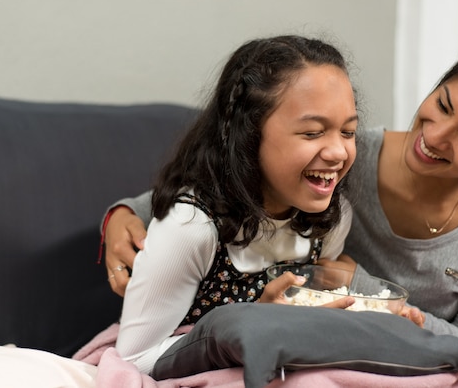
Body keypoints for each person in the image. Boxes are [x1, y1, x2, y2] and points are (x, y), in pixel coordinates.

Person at [102, 42, 458, 352]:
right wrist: (122, 215)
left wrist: (360, 286)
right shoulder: (349, 155)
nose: (433, 136)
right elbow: (217, 187)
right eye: (442, 103)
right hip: (309, 335)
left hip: (408, 343)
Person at [110, 34, 365, 375]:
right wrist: (249, 324)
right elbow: (132, 361)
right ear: (250, 135)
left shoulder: (331, 217)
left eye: (347, 132)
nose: (337, 152)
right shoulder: (191, 228)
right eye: (312, 133)